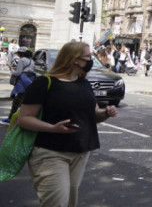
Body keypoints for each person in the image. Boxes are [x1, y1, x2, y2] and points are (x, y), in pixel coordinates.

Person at [17, 41, 118, 207]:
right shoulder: (44, 83)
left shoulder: (84, 84)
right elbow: (24, 118)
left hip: (80, 152)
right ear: (75, 60)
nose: (91, 60)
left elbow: (94, 114)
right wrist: (52, 128)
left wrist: (106, 113)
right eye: (87, 57)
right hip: (49, 153)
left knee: (70, 202)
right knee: (56, 203)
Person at [1, 47, 36, 125]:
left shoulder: (22, 60)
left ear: (21, 54)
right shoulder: (31, 60)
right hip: (29, 81)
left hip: (22, 82)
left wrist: (11, 70)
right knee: (21, 100)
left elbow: (18, 73)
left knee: (17, 101)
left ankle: (11, 119)